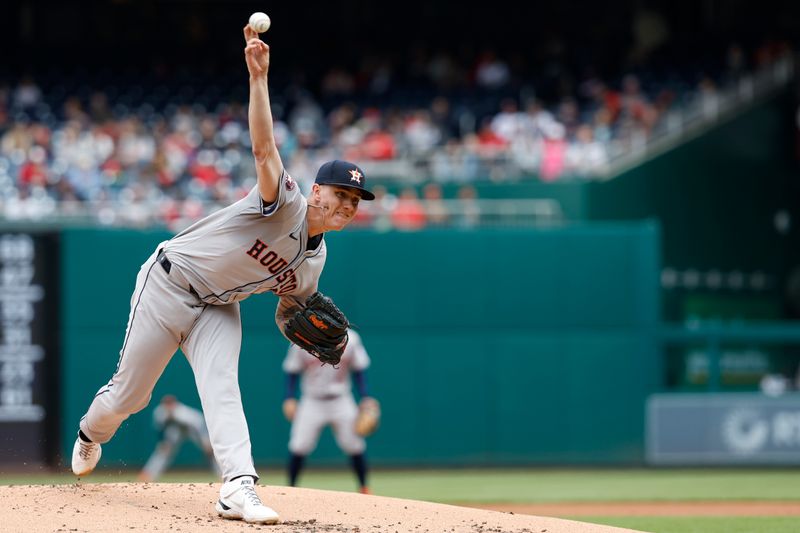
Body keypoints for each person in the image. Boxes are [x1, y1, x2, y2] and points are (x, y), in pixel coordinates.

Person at [70, 23, 375, 525]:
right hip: (169, 282)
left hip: (217, 306)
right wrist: (259, 79)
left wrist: (300, 324)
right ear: (319, 191)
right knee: (130, 396)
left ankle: (238, 487)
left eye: (354, 202)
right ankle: (89, 434)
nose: (346, 206)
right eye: (340, 195)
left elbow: (290, 309)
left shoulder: (315, 261)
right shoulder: (287, 203)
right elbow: (263, 150)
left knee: (222, 386)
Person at [282, 329, 374, 494]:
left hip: (341, 399)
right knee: (299, 445)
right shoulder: (301, 337)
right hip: (312, 399)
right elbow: (292, 370)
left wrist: (365, 397)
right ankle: (291, 489)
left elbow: (359, 370)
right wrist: (289, 397)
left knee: (354, 445)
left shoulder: (351, 339)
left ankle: (364, 488)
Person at [137, 394, 221, 482]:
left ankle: (222, 473)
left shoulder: (183, 413)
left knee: (211, 452)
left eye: (170, 404)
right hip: (175, 430)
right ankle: (148, 475)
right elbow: (160, 430)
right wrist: (163, 443)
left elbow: (198, 425)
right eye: (166, 404)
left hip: (191, 430)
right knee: (163, 452)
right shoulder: (160, 412)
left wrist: (205, 441)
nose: (169, 407)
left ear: (175, 404)